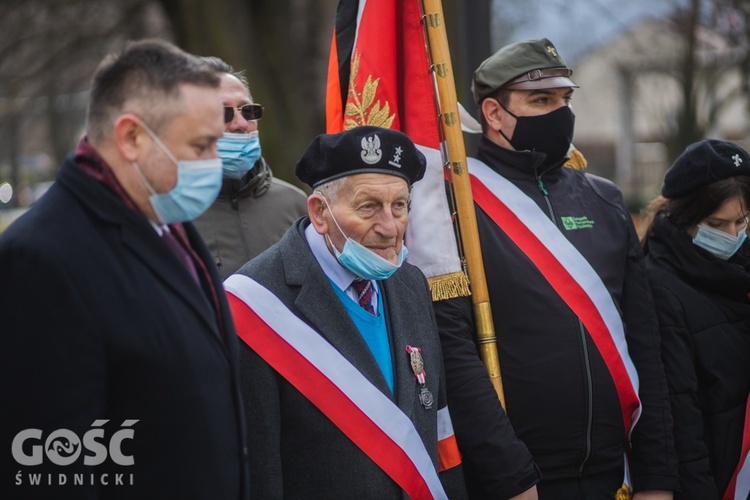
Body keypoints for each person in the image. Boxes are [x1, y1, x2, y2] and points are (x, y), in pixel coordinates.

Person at [430, 38, 679, 499]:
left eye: (565, 99)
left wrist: (657, 478)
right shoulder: (453, 206)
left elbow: (645, 341)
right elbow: (453, 352)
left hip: (614, 474)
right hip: (522, 482)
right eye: (540, 100)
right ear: (494, 113)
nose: (560, 112)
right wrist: (511, 477)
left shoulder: (604, 199)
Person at [0, 40, 248, 498]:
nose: (216, 161)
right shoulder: (42, 258)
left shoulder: (168, 222)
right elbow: (51, 468)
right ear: (132, 138)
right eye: (202, 144)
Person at [224, 125, 467, 499]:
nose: (390, 227)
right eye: (368, 206)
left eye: (399, 206)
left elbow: (438, 429)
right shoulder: (254, 304)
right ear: (320, 213)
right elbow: (259, 470)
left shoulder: (411, 283)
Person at [638, 139, 750, 500]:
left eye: (742, 221)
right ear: (686, 218)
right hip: (716, 479)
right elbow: (681, 420)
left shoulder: (740, 267)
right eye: (717, 224)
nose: (733, 237)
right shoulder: (661, 289)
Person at [193, 57, 308, 279]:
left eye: (247, 111)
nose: (240, 124)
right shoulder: (166, 212)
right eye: (222, 113)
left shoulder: (295, 204)